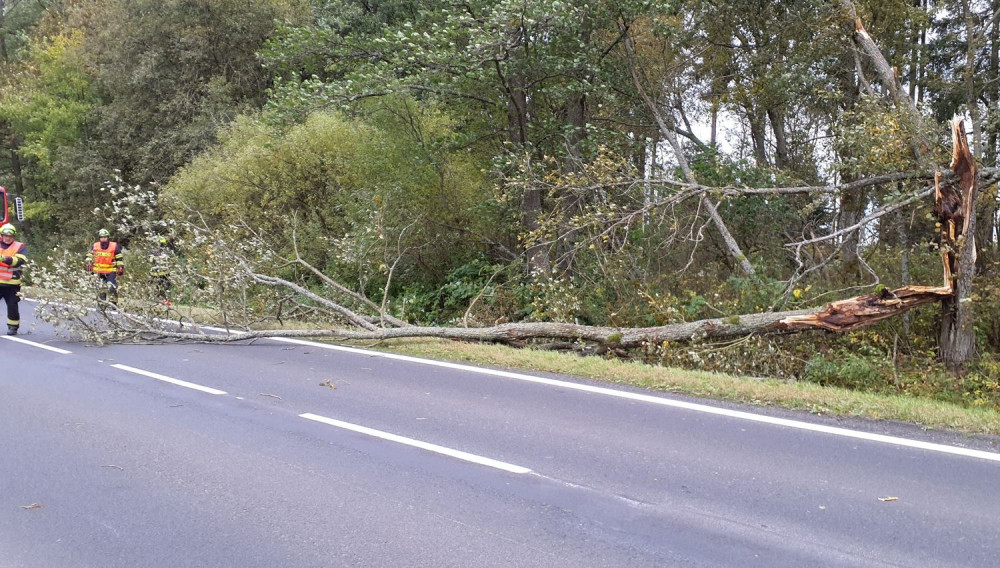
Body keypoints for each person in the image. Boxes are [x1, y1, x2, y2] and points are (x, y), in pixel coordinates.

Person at [0, 223, 28, 335]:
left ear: (14, 236)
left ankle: (13, 326)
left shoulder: (20, 247)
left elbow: (19, 261)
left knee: (12, 305)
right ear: (1, 236)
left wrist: (3, 259)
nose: (8, 238)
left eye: (10, 236)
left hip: (12, 283)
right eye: (5, 236)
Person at [86, 228, 124, 304]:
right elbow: (89, 255)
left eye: (105, 237)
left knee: (111, 287)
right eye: (101, 237)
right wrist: (89, 263)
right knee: (101, 288)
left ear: (108, 237)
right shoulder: (95, 245)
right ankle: (102, 304)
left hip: (110, 271)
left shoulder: (114, 246)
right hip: (98, 271)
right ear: (99, 238)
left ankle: (113, 305)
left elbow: (119, 258)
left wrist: (120, 267)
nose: (103, 239)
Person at [148, 235, 172, 305]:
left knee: (166, 286)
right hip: (156, 273)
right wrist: (154, 257)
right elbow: (149, 260)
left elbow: (169, 260)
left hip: (165, 272)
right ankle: (158, 300)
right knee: (158, 287)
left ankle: (165, 300)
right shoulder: (152, 252)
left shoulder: (166, 251)